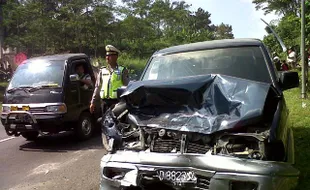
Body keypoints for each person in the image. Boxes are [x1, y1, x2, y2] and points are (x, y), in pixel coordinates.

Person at [89, 45, 129, 116]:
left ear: (116, 57)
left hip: (117, 103)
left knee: (116, 124)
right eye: (106, 55)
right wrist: (93, 102)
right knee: (105, 123)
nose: (107, 57)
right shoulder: (102, 70)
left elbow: (127, 88)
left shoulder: (122, 70)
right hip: (104, 104)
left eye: (110, 55)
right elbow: (97, 87)